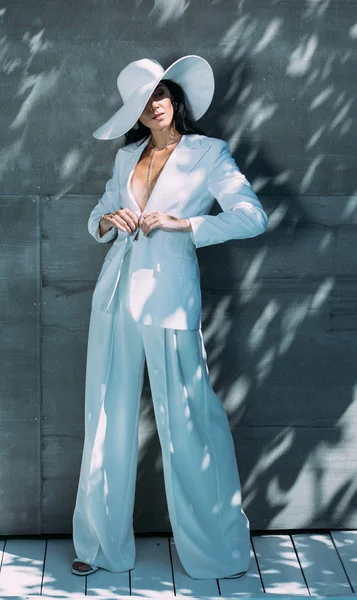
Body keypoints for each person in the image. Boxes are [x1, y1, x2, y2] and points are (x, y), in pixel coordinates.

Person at [71, 55, 267, 580]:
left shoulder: (208, 154)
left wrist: (184, 224)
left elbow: (252, 216)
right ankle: (99, 544)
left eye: (161, 93)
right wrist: (108, 222)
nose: (154, 104)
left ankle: (216, 550)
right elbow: (98, 215)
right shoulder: (126, 157)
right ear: (136, 113)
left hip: (170, 298)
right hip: (113, 298)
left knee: (189, 420)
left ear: (175, 98)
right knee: (105, 420)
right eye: (143, 100)